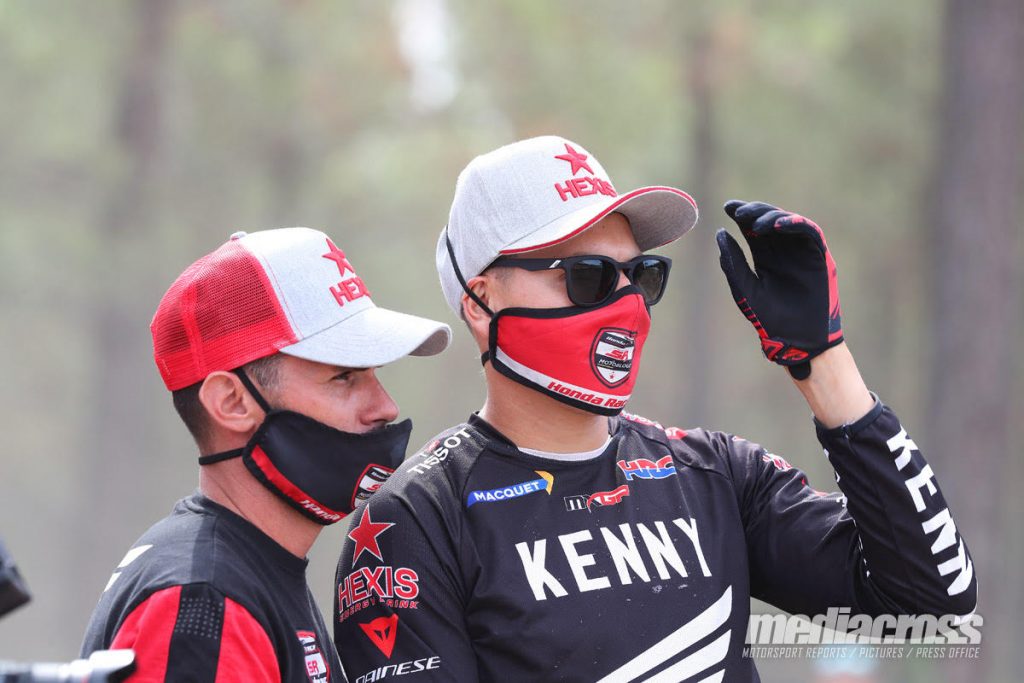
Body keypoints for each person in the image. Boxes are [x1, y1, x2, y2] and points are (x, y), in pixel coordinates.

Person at [332, 136, 978, 682]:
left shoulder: (715, 473)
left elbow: (935, 604)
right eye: (586, 275)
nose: (626, 304)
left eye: (640, 275)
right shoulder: (416, 520)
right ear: (480, 301)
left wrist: (825, 363)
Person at [81, 227, 451, 682]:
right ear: (232, 402)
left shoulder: (248, 572)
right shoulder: (206, 602)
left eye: (374, 373)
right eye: (344, 377)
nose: (385, 406)